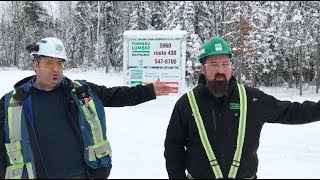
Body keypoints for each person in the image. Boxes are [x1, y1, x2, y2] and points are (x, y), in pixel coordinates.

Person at [0, 37, 172, 179]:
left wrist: (149, 90)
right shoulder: (13, 102)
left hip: (82, 175)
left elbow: (116, 95)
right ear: (35, 65)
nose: (55, 69)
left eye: (59, 63)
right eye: (48, 63)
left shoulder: (80, 92)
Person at [164, 36, 320, 179]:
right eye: (214, 65)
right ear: (203, 69)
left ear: (232, 67)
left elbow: (290, 111)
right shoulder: (187, 103)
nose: (221, 70)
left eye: (225, 64)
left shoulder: (252, 99)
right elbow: (173, 148)